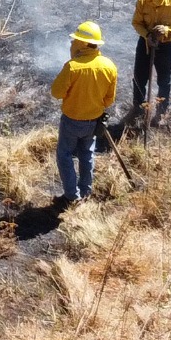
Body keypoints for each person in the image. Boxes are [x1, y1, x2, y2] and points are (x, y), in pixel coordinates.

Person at [50, 22, 118, 204]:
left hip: (71, 121)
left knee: (64, 155)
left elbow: (56, 93)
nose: (72, 44)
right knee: (87, 155)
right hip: (94, 122)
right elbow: (109, 100)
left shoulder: (72, 67)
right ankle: (85, 191)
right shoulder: (109, 66)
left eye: (75, 41)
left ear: (83, 44)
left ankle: (72, 195)